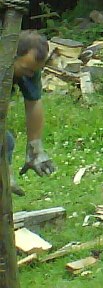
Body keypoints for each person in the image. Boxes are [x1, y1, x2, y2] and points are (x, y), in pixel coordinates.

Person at [5, 31, 56, 196]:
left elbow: (34, 103)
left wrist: (35, 147)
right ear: (11, 55)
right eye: (26, 69)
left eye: (35, 71)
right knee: (6, 141)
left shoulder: (30, 69)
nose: (31, 75)